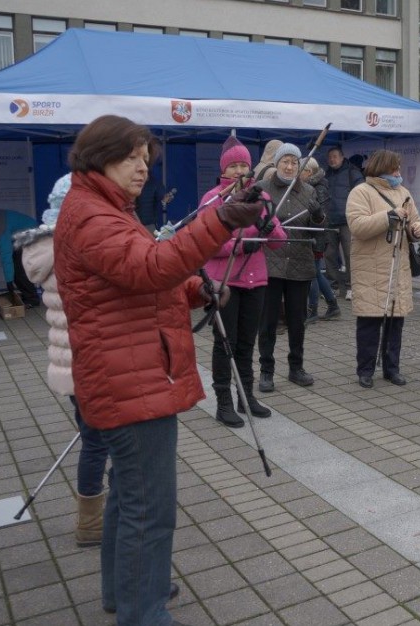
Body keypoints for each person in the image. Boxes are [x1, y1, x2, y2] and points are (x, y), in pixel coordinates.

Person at [53, 114, 262, 625]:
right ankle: (143, 612)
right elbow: (149, 267)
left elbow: (141, 272)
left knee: (130, 499)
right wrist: (220, 222)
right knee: (150, 510)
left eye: (146, 160)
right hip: (130, 380)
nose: (142, 169)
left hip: (131, 373)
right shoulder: (92, 215)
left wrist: (196, 288)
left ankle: (123, 593)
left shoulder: (108, 208)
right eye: (131, 158)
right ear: (99, 155)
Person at [15, 173, 110, 548]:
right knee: (99, 441)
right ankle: (92, 522)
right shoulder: (77, 247)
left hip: (68, 364)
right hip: (91, 361)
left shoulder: (46, 247)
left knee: (92, 437)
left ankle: (93, 517)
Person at [200, 136, 286, 428]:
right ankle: (223, 401)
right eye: (233, 165)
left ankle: (246, 395)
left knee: (247, 342)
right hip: (224, 283)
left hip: (256, 280)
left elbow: (278, 241)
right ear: (225, 168)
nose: (238, 170)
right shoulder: (213, 198)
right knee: (225, 342)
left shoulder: (260, 197)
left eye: (243, 165)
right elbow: (207, 242)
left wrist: (268, 227)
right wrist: (243, 242)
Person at [346, 149, 420, 388]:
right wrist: (388, 216)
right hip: (370, 267)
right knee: (369, 323)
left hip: (397, 267)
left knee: (395, 322)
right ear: (382, 168)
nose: (398, 173)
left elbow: (415, 220)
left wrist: (418, 230)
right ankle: (365, 370)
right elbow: (357, 226)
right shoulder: (361, 192)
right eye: (395, 169)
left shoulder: (403, 192)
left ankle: (392, 369)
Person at [258, 143, 327, 392]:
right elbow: (251, 221)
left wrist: (319, 214)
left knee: (298, 321)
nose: (289, 166)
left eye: (294, 162)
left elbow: (318, 224)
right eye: (285, 161)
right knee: (268, 322)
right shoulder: (262, 189)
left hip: (300, 263)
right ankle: (266, 370)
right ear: (276, 164)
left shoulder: (308, 191)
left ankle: (296, 367)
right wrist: (260, 226)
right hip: (270, 265)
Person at [302, 157, 340, 323]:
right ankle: (332, 305)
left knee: (312, 274)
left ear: (309, 172)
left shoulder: (318, 188)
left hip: (316, 237)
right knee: (316, 273)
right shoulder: (314, 186)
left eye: (300, 170)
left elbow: (320, 216)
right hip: (314, 236)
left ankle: (313, 309)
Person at [325, 145, 364, 300]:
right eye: (329, 157)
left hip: (348, 221)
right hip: (329, 221)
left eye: (335, 156)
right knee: (329, 255)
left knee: (350, 255)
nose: (332, 160)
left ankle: (350, 287)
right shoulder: (326, 175)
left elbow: (362, 194)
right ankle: (332, 286)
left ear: (342, 157)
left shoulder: (352, 173)